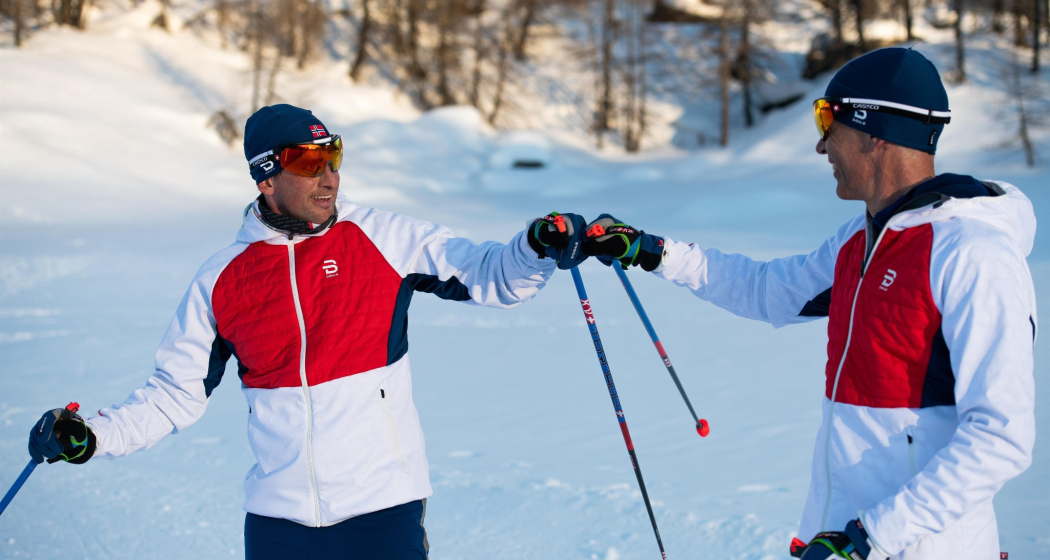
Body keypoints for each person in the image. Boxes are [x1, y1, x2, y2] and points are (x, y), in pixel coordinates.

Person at [27, 104, 590, 559]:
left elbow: (492, 276)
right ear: (266, 177)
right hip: (279, 525)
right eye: (308, 162)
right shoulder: (222, 280)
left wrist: (534, 246)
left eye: (334, 156)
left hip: (382, 514)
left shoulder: (382, 238)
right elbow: (175, 395)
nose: (329, 176)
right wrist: (92, 438)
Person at [583, 48, 1036, 559]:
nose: (822, 146)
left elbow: (1002, 436)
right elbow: (766, 290)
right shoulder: (859, 241)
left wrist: (871, 538)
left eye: (828, 120)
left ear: (874, 133)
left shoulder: (973, 254)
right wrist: (654, 252)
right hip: (838, 535)